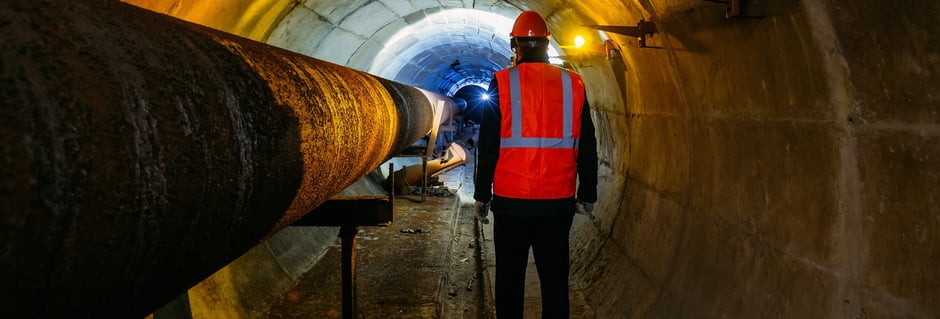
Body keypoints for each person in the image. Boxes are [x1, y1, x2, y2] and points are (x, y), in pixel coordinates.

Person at [472, 10, 598, 319]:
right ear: (546, 44)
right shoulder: (574, 83)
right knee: (555, 285)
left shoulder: (502, 82)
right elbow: (587, 145)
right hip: (556, 206)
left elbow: (488, 146)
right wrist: (588, 193)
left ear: (515, 45)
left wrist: (481, 195)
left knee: (509, 284)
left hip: (511, 204)